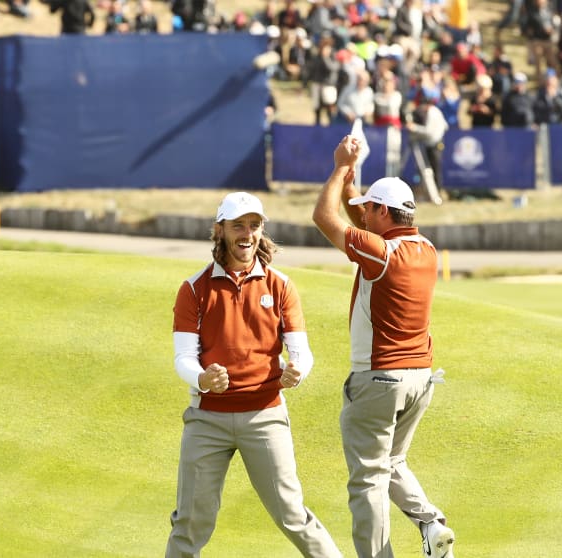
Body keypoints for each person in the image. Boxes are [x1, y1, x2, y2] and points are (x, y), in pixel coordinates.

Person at [166, 192, 342, 558]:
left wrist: (298, 371)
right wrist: (203, 379)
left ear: (261, 231)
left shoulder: (280, 285)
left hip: (265, 414)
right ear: (220, 230)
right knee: (190, 523)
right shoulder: (194, 288)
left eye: (254, 226)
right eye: (238, 226)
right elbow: (183, 357)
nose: (246, 234)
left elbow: (301, 352)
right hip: (207, 419)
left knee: (293, 515)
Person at [311, 137, 456, 558]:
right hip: (421, 379)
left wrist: (340, 168)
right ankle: (430, 524)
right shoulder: (425, 248)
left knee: (368, 479)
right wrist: (356, 183)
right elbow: (362, 215)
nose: (363, 212)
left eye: (371, 208)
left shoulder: (379, 253)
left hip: (379, 378)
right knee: (391, 463)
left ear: (383, 213)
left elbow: (324, 217)